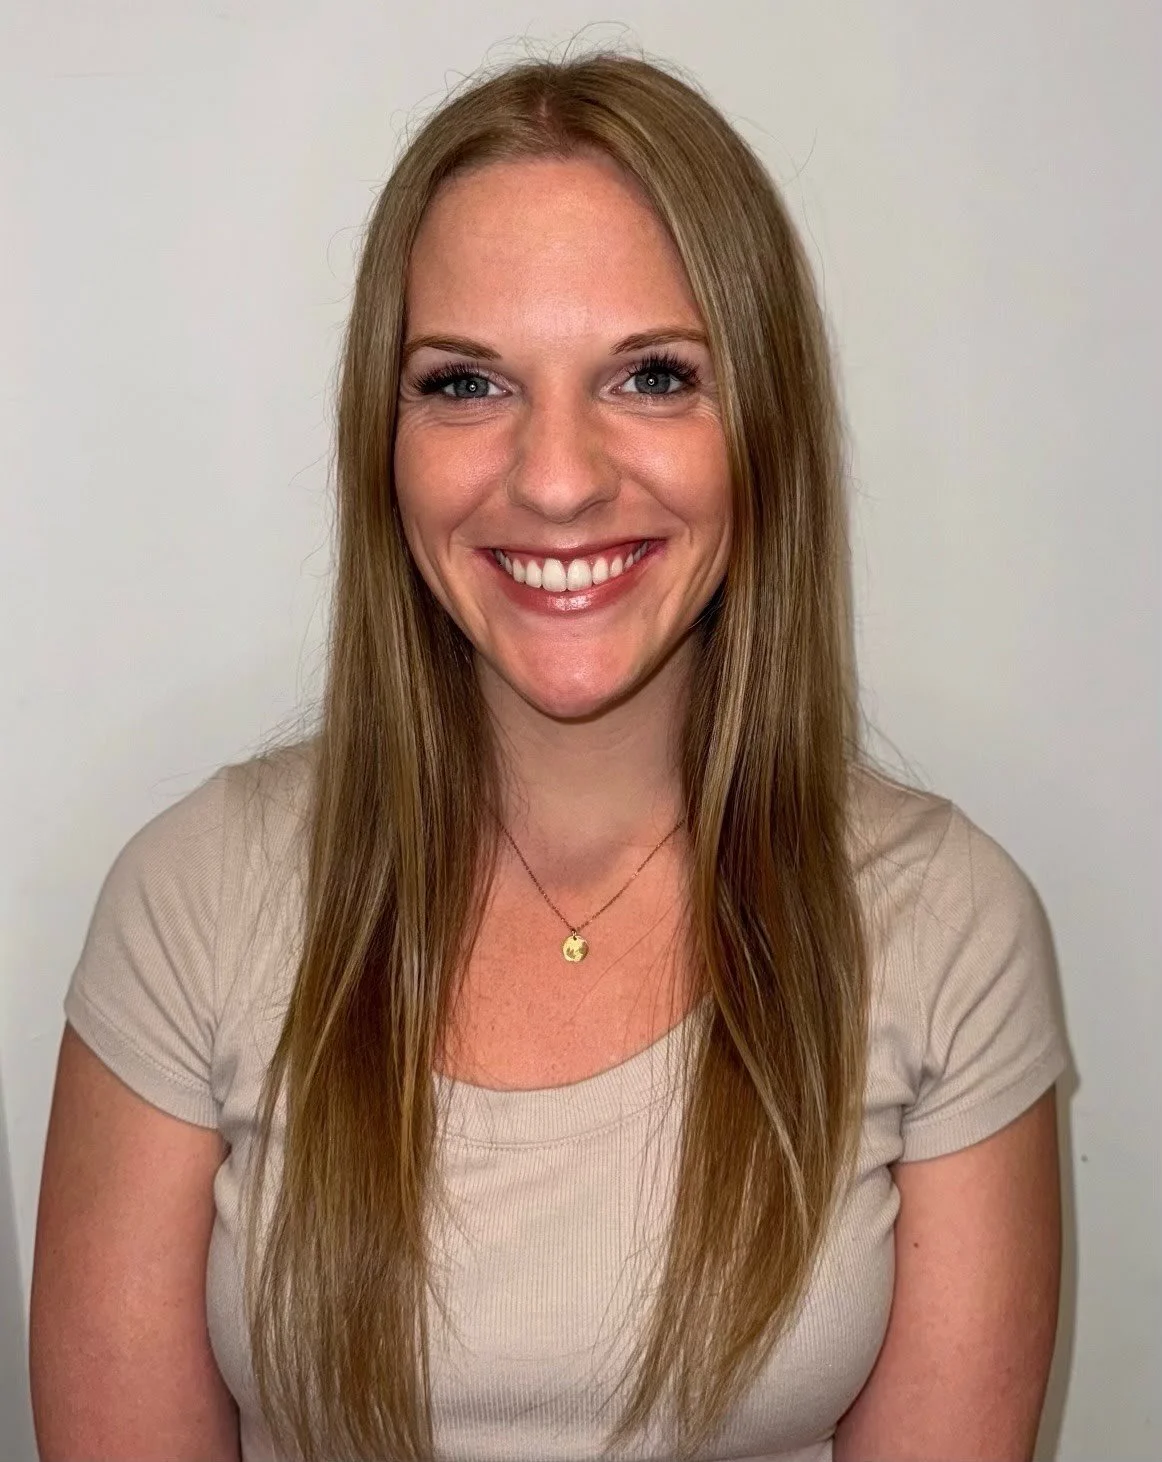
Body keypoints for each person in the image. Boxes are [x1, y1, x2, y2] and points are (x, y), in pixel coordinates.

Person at [29, 51, 1068, 1462]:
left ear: (761, 424)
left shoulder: (948, 926)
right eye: (465, 384)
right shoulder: (190, 901)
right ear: (382, 441)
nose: (559, 476)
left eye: (651, 374)